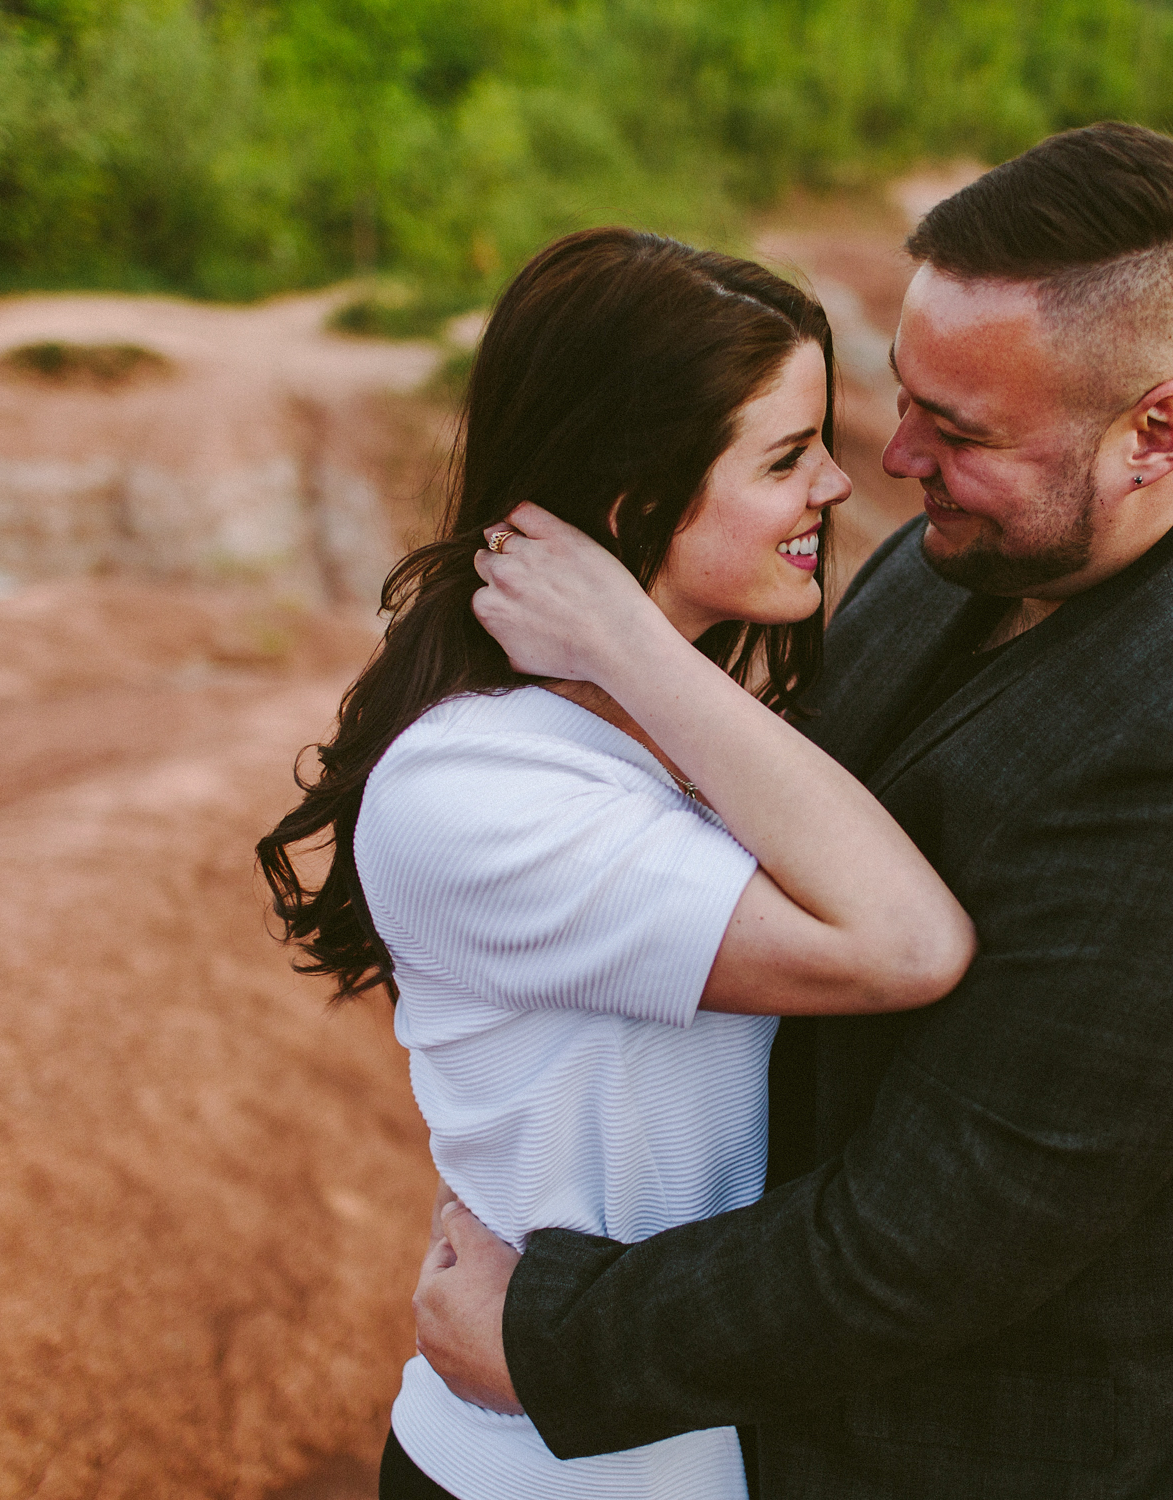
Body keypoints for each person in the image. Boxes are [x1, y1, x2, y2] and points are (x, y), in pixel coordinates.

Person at [413, 123, 1173, 1497]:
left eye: (963, 430)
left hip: (1105, 1459)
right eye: (906, 398)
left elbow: (933, 1240)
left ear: (1157, 431)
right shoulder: (965, 563)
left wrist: (547, 1336)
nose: (895, 461)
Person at [256, 227, 976, 1500]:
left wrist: (642, 655)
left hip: (705, 1444)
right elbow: (907, 947)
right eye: (783, 457)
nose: (834, 487)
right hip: (548, 1474)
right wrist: (631, 644)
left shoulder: (696, 720)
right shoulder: (474, 788)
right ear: (636, 499)